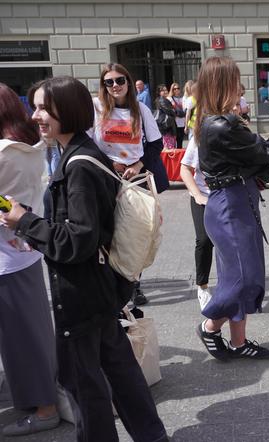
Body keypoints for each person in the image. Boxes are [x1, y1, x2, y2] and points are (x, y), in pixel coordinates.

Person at [0, 76, 167, 442]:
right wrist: (37, 229)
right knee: (121, 373)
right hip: (101, 289)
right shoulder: (82, 153)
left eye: (44, 107)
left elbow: (79, 240)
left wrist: (25, 222)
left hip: (81, 294)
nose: (36, 116)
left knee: (85, 387)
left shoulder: (78, 166)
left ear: (69, 110)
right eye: (35, 107)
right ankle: (152, 436)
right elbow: (80, 231)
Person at [194, 56, 269, 360]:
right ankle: (210, 324)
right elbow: (262, 151)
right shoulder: (221, 124)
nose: (240, 87)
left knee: (236, 275)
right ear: (222, 84)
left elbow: (250, 158)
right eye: (235, 81)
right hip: (230, 205)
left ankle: (239, 342)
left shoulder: (214, 120)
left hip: (234, 202)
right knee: (245, 277)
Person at [0, 83, 60, 437]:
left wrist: (9, 210)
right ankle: (39, 400)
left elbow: (6, 203)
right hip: (25, 248)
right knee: (29, 334)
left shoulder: (5, 152)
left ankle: (44, 408)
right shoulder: (31, 148)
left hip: (8, 253)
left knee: (22, 337)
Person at [91, 63, 167, 305]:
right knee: (109, 231)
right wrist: (109, 164)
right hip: (106, 177)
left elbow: (156, 144)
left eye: (120, 80)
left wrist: (138, 165)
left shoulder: (141, 109)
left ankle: (133, 285)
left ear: (128, 81)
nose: (115, 86)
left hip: (134, 180)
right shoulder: (97, 108)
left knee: (134, 234)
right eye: (109, 82)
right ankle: (108, 282)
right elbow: (87, 143)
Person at [180, 137, 215, 310]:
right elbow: (185, 169)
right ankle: (203, 286)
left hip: (228, 199)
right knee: (204, 240)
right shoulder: (200, 137)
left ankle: (231, 285)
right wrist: (197, 195)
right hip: (202, 196)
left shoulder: (237, 131)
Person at [155, 84, 177, 149]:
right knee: (169, 148)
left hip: (166, 127)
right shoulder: (162, 100)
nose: (165, 92)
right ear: (159, 92)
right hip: (167, 127)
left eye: (166, 90)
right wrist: (176, 112)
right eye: (163, 90)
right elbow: (169, 111)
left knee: (169, 147)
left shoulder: (164, 99)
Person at [167, 82, 186, 148]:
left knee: (180, 140)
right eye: (174, 89)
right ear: (172, 90)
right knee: (174, 141)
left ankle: (179, 156)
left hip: (182, 121)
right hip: (175, 122)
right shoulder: (170, 99)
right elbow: (170, 110)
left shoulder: (183, 98)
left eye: (178, 88)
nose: (176, 90)